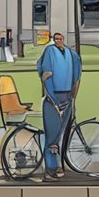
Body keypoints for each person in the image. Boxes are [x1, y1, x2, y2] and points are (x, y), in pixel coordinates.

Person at [36, 32, 82, 180]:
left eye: (60, 38)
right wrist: (52, 98)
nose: (58, 40)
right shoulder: (50, 51)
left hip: (67, 97)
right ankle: (51, 168)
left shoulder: (72, 54)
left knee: (62, 134)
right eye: (55, 38)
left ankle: (58, 165)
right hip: (53, 98)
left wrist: (72, 96)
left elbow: (77, 76)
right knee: (52, 135)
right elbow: (46, 74)